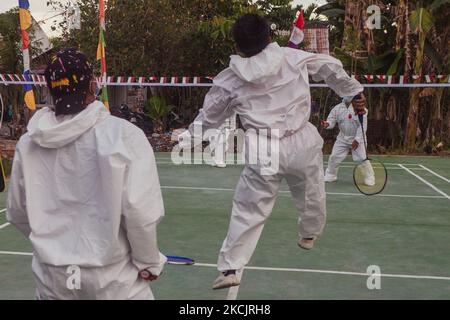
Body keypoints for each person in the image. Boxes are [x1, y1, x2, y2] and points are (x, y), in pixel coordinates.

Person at [178, 14, 367, 290]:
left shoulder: (231, 79)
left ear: (238, 47)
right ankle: (309, 234)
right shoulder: (294, 58)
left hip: (263, 149)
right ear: (269, 37)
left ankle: (231, 267)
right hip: (301, 142)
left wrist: (186, 140)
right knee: (312, 192)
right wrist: (352, 92)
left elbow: (210, 116)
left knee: (248, 209)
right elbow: (331, 68)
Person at [6, 49, 166, 300]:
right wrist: (148, 263)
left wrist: (56, 243)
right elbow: (140, 211)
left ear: (50, 89)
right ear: (93, 85)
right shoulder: (123, 135)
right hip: (112, 279)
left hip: (53, 278)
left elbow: (17, 211)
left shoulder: (29, 143)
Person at [322, 99, 375, 186]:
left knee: (361, 158)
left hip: (358, 138)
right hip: (342, 138)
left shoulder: (361, 109)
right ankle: (331, 174)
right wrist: (327, 124)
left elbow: (363, 126)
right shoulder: (337, 108)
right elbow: (331, 120)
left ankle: (369, 177)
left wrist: (357, 139)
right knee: (335, 156)